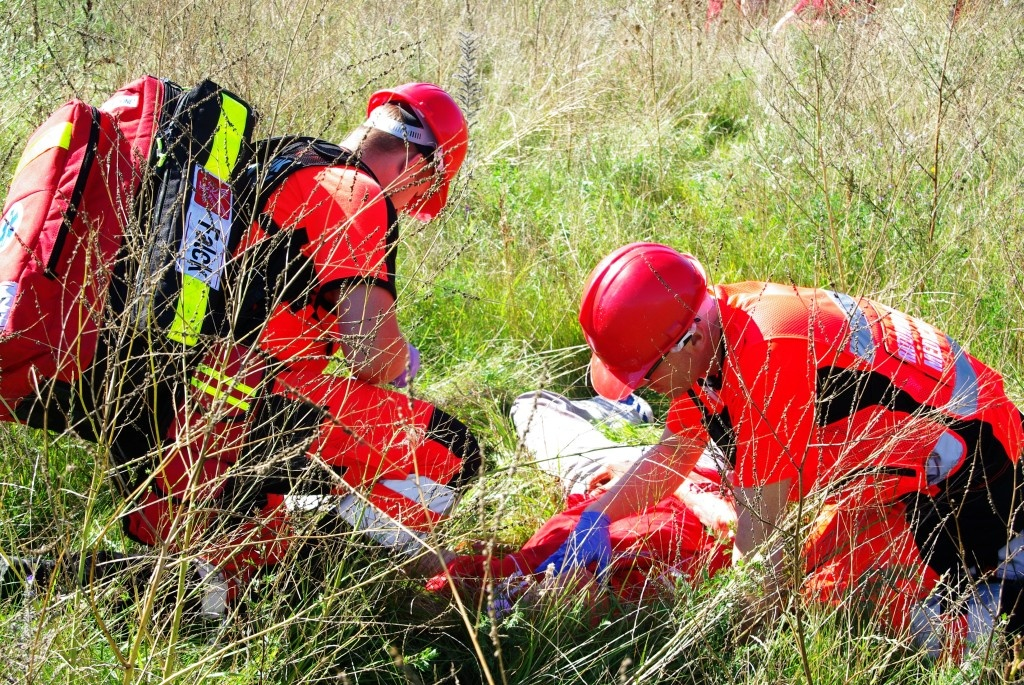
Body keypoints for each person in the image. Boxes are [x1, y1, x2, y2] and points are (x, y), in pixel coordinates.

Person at [1, 83, 481, 614]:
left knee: (220, 597)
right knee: (454, 452)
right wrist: (400, 358)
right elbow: (371, 352)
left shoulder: (277, 163)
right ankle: (347, 572)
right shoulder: (358, 195)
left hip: (160, 411)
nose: (411, 206)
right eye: (421, 194)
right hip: (233, 415)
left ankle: (35, 583)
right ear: (418, 166)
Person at [541, 242, 1024, 658]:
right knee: (810, 582)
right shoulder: (712, 326)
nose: (644, 391)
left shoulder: (769, 358)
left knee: (870, 611)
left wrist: (725, 653)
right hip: (898, 477)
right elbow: (676, 451)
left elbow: (757, 553)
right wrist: (593, 522)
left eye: (645, 376)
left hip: (980, 475)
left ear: (685, 341)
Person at [426, 390, 733, 618]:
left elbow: (438, 569)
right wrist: (690, 492)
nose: (555, 584)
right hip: (703, 463)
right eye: (553, 599)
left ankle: (617, 406)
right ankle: (628, 408)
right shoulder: (659, 594)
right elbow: (738, 524)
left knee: (529, 404)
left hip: (603, 469)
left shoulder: (538, 567)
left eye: (543, 590)